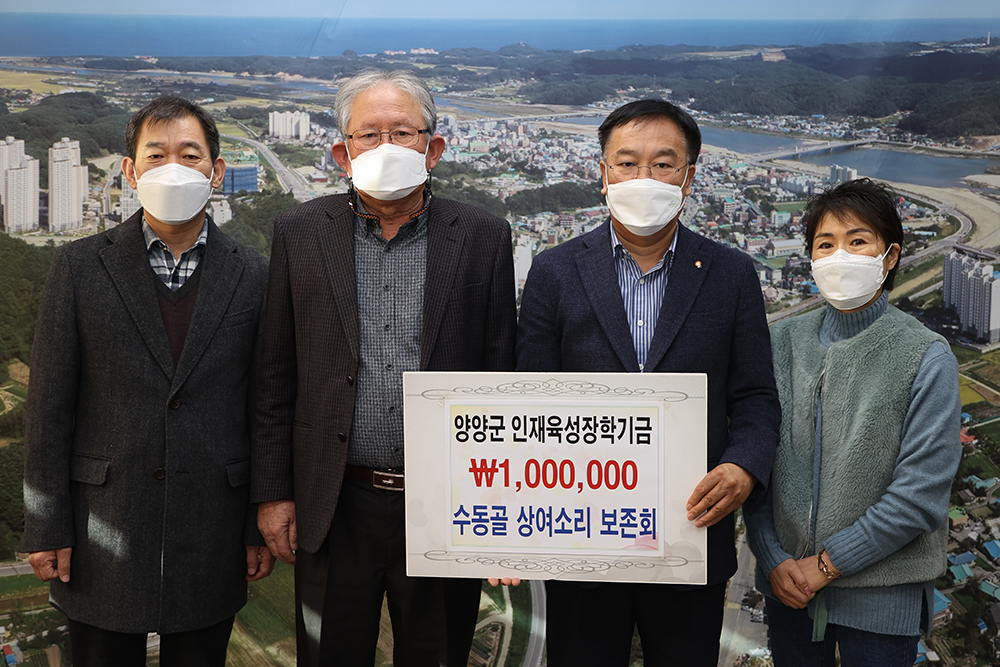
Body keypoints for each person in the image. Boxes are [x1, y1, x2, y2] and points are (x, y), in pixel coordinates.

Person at [252, 68, 517, 667]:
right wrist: (273, 494)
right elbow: (275, 375)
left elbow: (502, 374)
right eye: (369, 135)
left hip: (447, 501)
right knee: (329, 653)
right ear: (341, 152)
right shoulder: (299, 232)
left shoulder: (482, 236)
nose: (387, 147)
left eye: (403, 132)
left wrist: (502, 513)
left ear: (435, 147)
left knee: (438, 652)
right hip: (334, 495)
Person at [516, 98, 781, 666]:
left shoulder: (731, 273)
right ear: (602, 173)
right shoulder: (555, 270)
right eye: (627, 162)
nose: (644, 178)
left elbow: (755, 395)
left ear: (690, 177)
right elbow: (527, 399)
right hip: (583, 531)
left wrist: (744, 465)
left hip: (692, 529)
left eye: (663, 164)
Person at [20, 96, 273, 667]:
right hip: (102, 522)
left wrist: (260, 517)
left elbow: (265, 406)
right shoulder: (80, 266)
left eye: (190, 155)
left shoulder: (255, 273)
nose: (174, 169)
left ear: (217, 169)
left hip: (213, 523)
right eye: (155, 156)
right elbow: (49, 408)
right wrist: (46, 522)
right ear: (131, 171)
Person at [745, 178, 961, 666]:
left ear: (888, 258)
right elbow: (755, 461)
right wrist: (773, 558)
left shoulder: (925, 355)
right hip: (789, 593)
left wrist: (826, 566)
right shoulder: (782, 342)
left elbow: (919, 495)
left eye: (857, 241)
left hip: (882, 599)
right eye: (826, 244)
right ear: (813, 260)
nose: (840, 255)